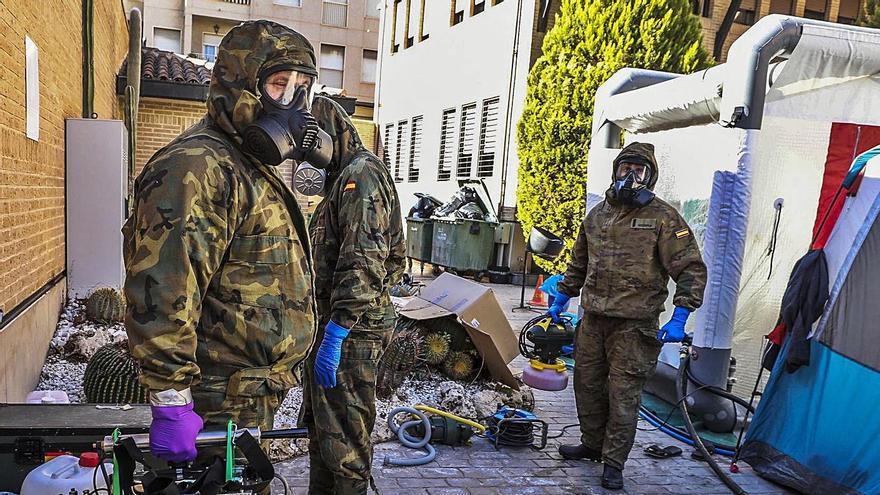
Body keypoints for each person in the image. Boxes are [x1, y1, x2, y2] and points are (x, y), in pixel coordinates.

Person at [123, 20, 330, 474]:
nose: (293, 102)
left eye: (303, 88)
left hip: (249, 396)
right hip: (214, 402)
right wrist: (172, 400)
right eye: (279, 84)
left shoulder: (249, 164)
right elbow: (163, 287)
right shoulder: (197, 166)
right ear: (240, 84)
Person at [548, 142, 707, 490]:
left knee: (623, 394)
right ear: (615, 170)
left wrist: (680, 316)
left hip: (635, 326)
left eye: (639, 170)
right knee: (587, 386)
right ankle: (592, 445)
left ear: (650, 177)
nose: (630, 176)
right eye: (625, 168)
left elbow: (691, 269)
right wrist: (562, 296)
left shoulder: (664, 218)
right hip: (592, 320)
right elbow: (579, 263)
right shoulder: (597, 216)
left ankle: (613, 462)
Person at [298, 95, 406, 494]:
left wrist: (337, 333)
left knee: (346, 447)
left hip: (353, 334)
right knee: (323, 437)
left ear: (331, 136)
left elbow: (363, 261)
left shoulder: (361, 176)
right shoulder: (340, 181)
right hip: (334, 328)